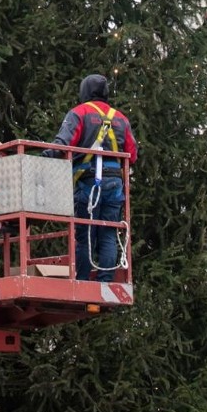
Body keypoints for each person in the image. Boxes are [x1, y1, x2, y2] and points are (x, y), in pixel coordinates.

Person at [47, 75, 137, 283]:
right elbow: (132, 155)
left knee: (85, 235)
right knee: (107, 234)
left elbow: (63, 143)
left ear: (84, 91)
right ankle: (105, 280)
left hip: (88, 183)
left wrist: (43, 157)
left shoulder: (80, 113)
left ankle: (83, 280)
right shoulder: (121, 118)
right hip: (115, 184)